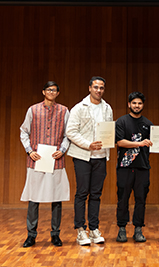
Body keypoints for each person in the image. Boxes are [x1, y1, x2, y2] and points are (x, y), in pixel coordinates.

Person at [20, 81, 70, 247]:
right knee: (34, 199)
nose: (51, 92)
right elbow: (24, 132)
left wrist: (62, 150)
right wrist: (29, 150)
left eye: (54, 90)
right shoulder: (33, 110)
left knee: (56, 199)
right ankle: (31, 235)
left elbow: (68, 134)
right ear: (43, 92)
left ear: (58, 93)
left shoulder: (64, 111)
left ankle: (55, 234)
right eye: (49, 89)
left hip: (56, 160)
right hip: (37, 160)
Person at [66, 76, 113, 246]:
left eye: (101, 87)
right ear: (89, 88)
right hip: (82, 156)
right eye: (95, 87)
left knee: (96, 194)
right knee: (81, 193)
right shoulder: (78, 108)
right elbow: (70, 132)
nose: (98, 90)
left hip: (101, 157)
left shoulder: (108, 108)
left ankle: (94, 229)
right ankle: (80, 230)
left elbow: (108, 130)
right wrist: (88, 145)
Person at [115, 92, 153, 243]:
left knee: (141, 199)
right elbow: (120, 143)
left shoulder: (148, 124)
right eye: (134, 103)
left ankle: (138, 229)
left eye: (140, 103)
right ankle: (122, 229)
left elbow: (154, 143)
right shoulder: (121, 121)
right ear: (129, 104)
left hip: (142, 167)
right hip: (124, 167)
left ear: (143, 105)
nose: (137, 106)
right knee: (122, 198)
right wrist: (140, 143)